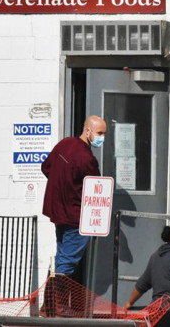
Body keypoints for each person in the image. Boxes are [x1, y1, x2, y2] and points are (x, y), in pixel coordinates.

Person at [41, 115, 106, 276]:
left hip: (59, 213)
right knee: (67, 262)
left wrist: (61, 184)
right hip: (76, 217)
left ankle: (50, 300)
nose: (102, 138)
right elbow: (96, 188)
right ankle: (57, 300)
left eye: (104, 134)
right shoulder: (87, 159)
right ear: (88, 130)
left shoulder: (64, 144)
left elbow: (46, 167)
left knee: (61, 258)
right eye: (99, 133)